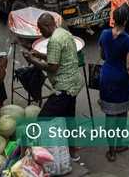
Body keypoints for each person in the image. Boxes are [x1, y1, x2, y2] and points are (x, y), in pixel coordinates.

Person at [23, 13, 84, 159]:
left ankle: (28, 152)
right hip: (74, 84)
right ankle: (73, 152)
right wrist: (38, 54)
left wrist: (32, 60)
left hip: (64, 88)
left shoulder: (54, 41)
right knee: (69, 119)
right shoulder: (64, 33)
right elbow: (57, 58)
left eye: (40, 29)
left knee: (42, 119)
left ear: (47, 26)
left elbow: (52, 67)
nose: (40, 33)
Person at [97, 5, 129, 162]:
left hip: (107, 76)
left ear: (113, 19)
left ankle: (112, 151)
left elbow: (102, 55)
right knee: (122, 114)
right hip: (122, 80)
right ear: (127, 20)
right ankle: (120, 144)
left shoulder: (104, 34)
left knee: (110, 115)